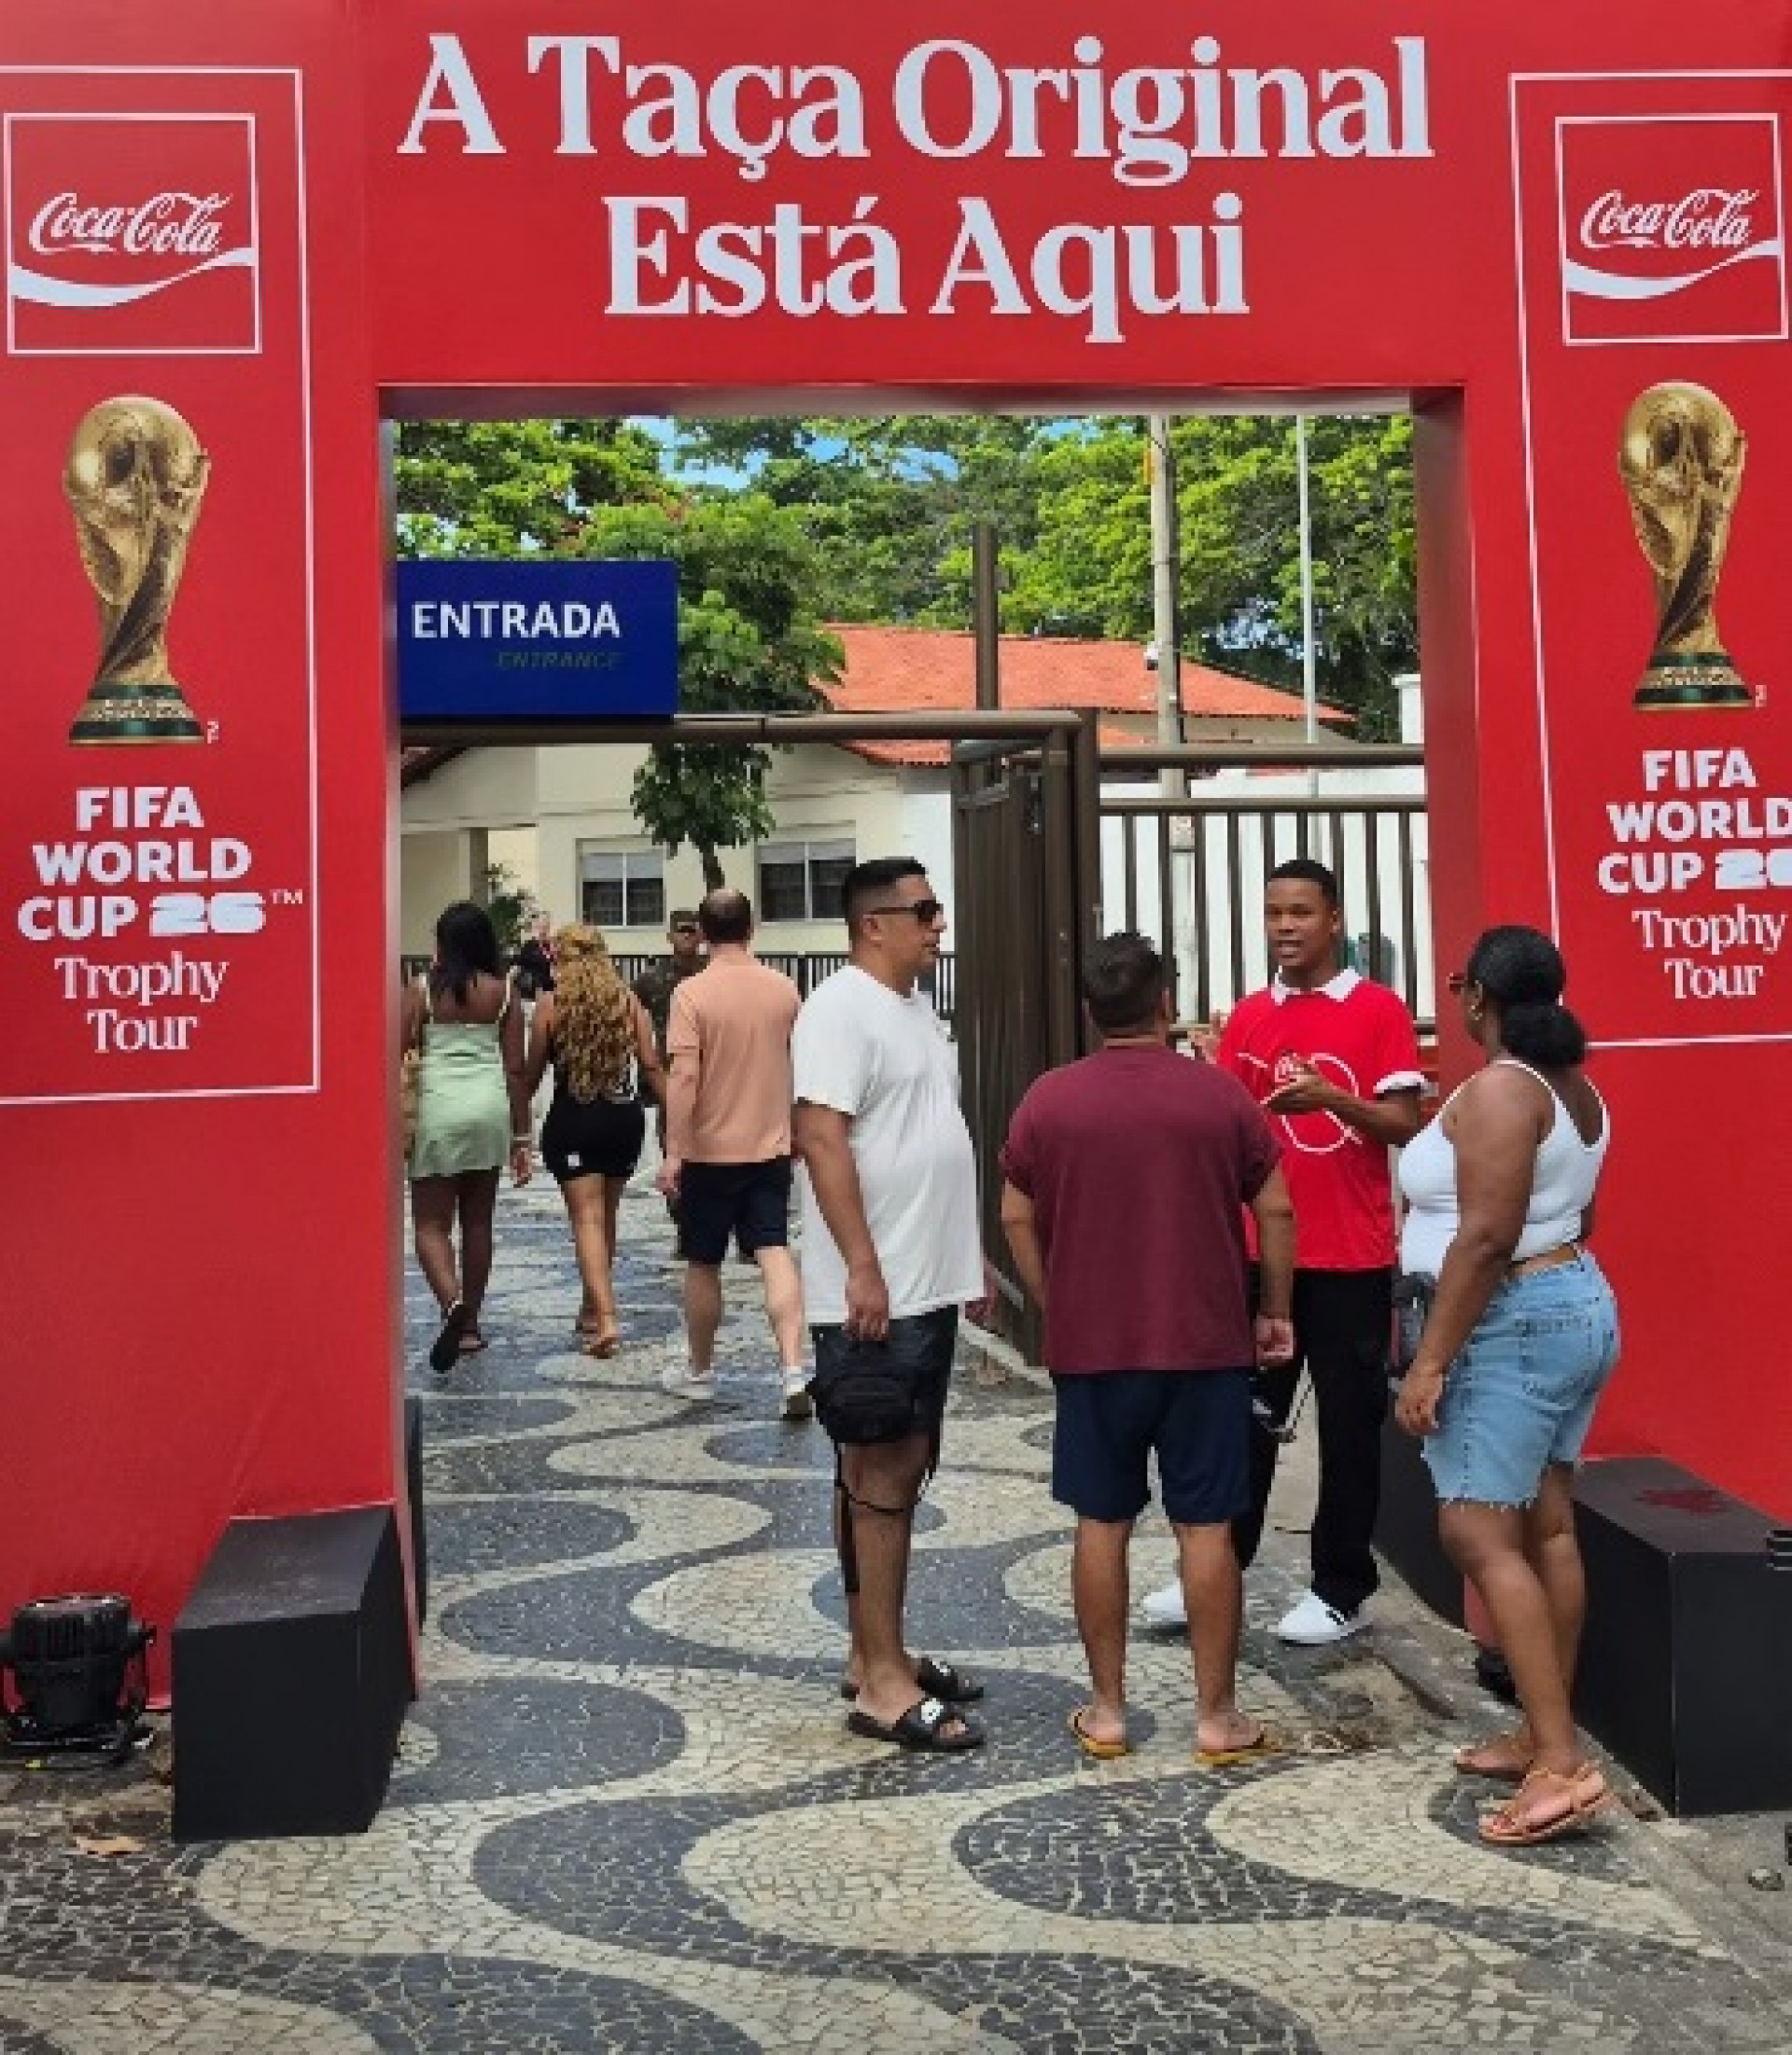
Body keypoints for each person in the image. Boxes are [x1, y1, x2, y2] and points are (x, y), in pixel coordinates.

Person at [1000, 932, 1296, 1764]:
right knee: (1206, 1527)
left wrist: (1057, 1299)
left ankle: (1107, 1710)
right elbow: (1274, 1209)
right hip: (1204, 1346)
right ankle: (1217, 1717)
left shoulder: (1048, 1102)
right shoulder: (1221, 1099)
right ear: (1165, 1001)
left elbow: (1016, 1213)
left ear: (1092, 1011)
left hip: (1094, 1349)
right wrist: (1273, 1309)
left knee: (1103, 1521)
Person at [1141, 858, 1424, 1644]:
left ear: (1335, 920)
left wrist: (1332, 1098)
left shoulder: (1377, 1010)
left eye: (1301, 911)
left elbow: (1405, 1122)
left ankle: (1342, 1587)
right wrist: (1207, 1068)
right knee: (1243, 1419)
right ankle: (1217, 1566)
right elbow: (1232, 1127)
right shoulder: (1253, 1017)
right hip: (1260, 1254)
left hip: (1351, 1255)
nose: (1286, 926)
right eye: (1274, 913)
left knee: (1348, 1425)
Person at [1394, 926, 1618, 1848]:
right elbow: (1581, 1209)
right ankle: (1540, 1729)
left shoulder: (1498, 1090)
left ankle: (1560, 1766)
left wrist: (1433, 1359)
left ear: (1477, 995)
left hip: (1511, 1319)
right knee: (1546, 1522)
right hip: (1572, 1301)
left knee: (1475, 1529)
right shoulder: (1577, 1091)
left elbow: (1485, 1238)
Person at [793, 857, 991, 1753]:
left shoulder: (915, 1009)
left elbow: (924, 1136)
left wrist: (964, 1258)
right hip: (878, 1289)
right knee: (882, 1474)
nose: (936, 923)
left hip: (923, 1278)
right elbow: (820, 1136)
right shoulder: (838, 1008)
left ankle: (876, 1649)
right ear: (874, 922)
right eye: (923, 910)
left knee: (882, 1467)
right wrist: (862, 1266)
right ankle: (880, 1684)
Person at [656, 890, 808, 1417]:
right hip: (770, 1146)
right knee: (773, 1249)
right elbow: (800, 1065)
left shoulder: (690, 995)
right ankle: (792, 1370)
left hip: (707, 1152)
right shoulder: (784, 991)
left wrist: (675, 1151)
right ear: (754, 927)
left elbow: (684, 1076)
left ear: (701, 931)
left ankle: (699, 1370)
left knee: (703, 1262)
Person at [524, 925, 665, 1355]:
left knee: (586, 1219)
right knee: (607, 1216)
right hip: (624, 1118)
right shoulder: (629, 1003)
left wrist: (515, 1123)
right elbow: (651, 1065)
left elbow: (530, 1075)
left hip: (575, 1118)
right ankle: (591, 1306)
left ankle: (606, 1319)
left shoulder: (552, 1005)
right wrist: (679, 1114)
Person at [405, 901, 533, 1372]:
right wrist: (522, 1139)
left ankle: (451, 1304)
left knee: (430, 1225)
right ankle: (473, 1323)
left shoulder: (421, 991)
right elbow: (516, 1070)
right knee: (478, 1223)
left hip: (438, 1111)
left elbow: (400, 1051)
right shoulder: (504, 995)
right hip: (488, 1110)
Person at [633, 910, 707, 1255]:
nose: (688, 938)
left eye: (694, 931)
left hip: (710, 1073)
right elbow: (632, 1019)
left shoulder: (711, 975)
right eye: (682, 931)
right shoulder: (651, 980)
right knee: (674, 1151)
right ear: (670, 936)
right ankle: (684, 1227)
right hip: (669, 1077)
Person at [514, 911, 557, 1000]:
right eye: (541, 925)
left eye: (546, 925)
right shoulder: (529, 946)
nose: (544, 929)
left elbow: (555, 962)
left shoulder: (551, 945)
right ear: (535, 926)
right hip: (535, 991)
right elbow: (517, 967)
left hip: (551, 989)